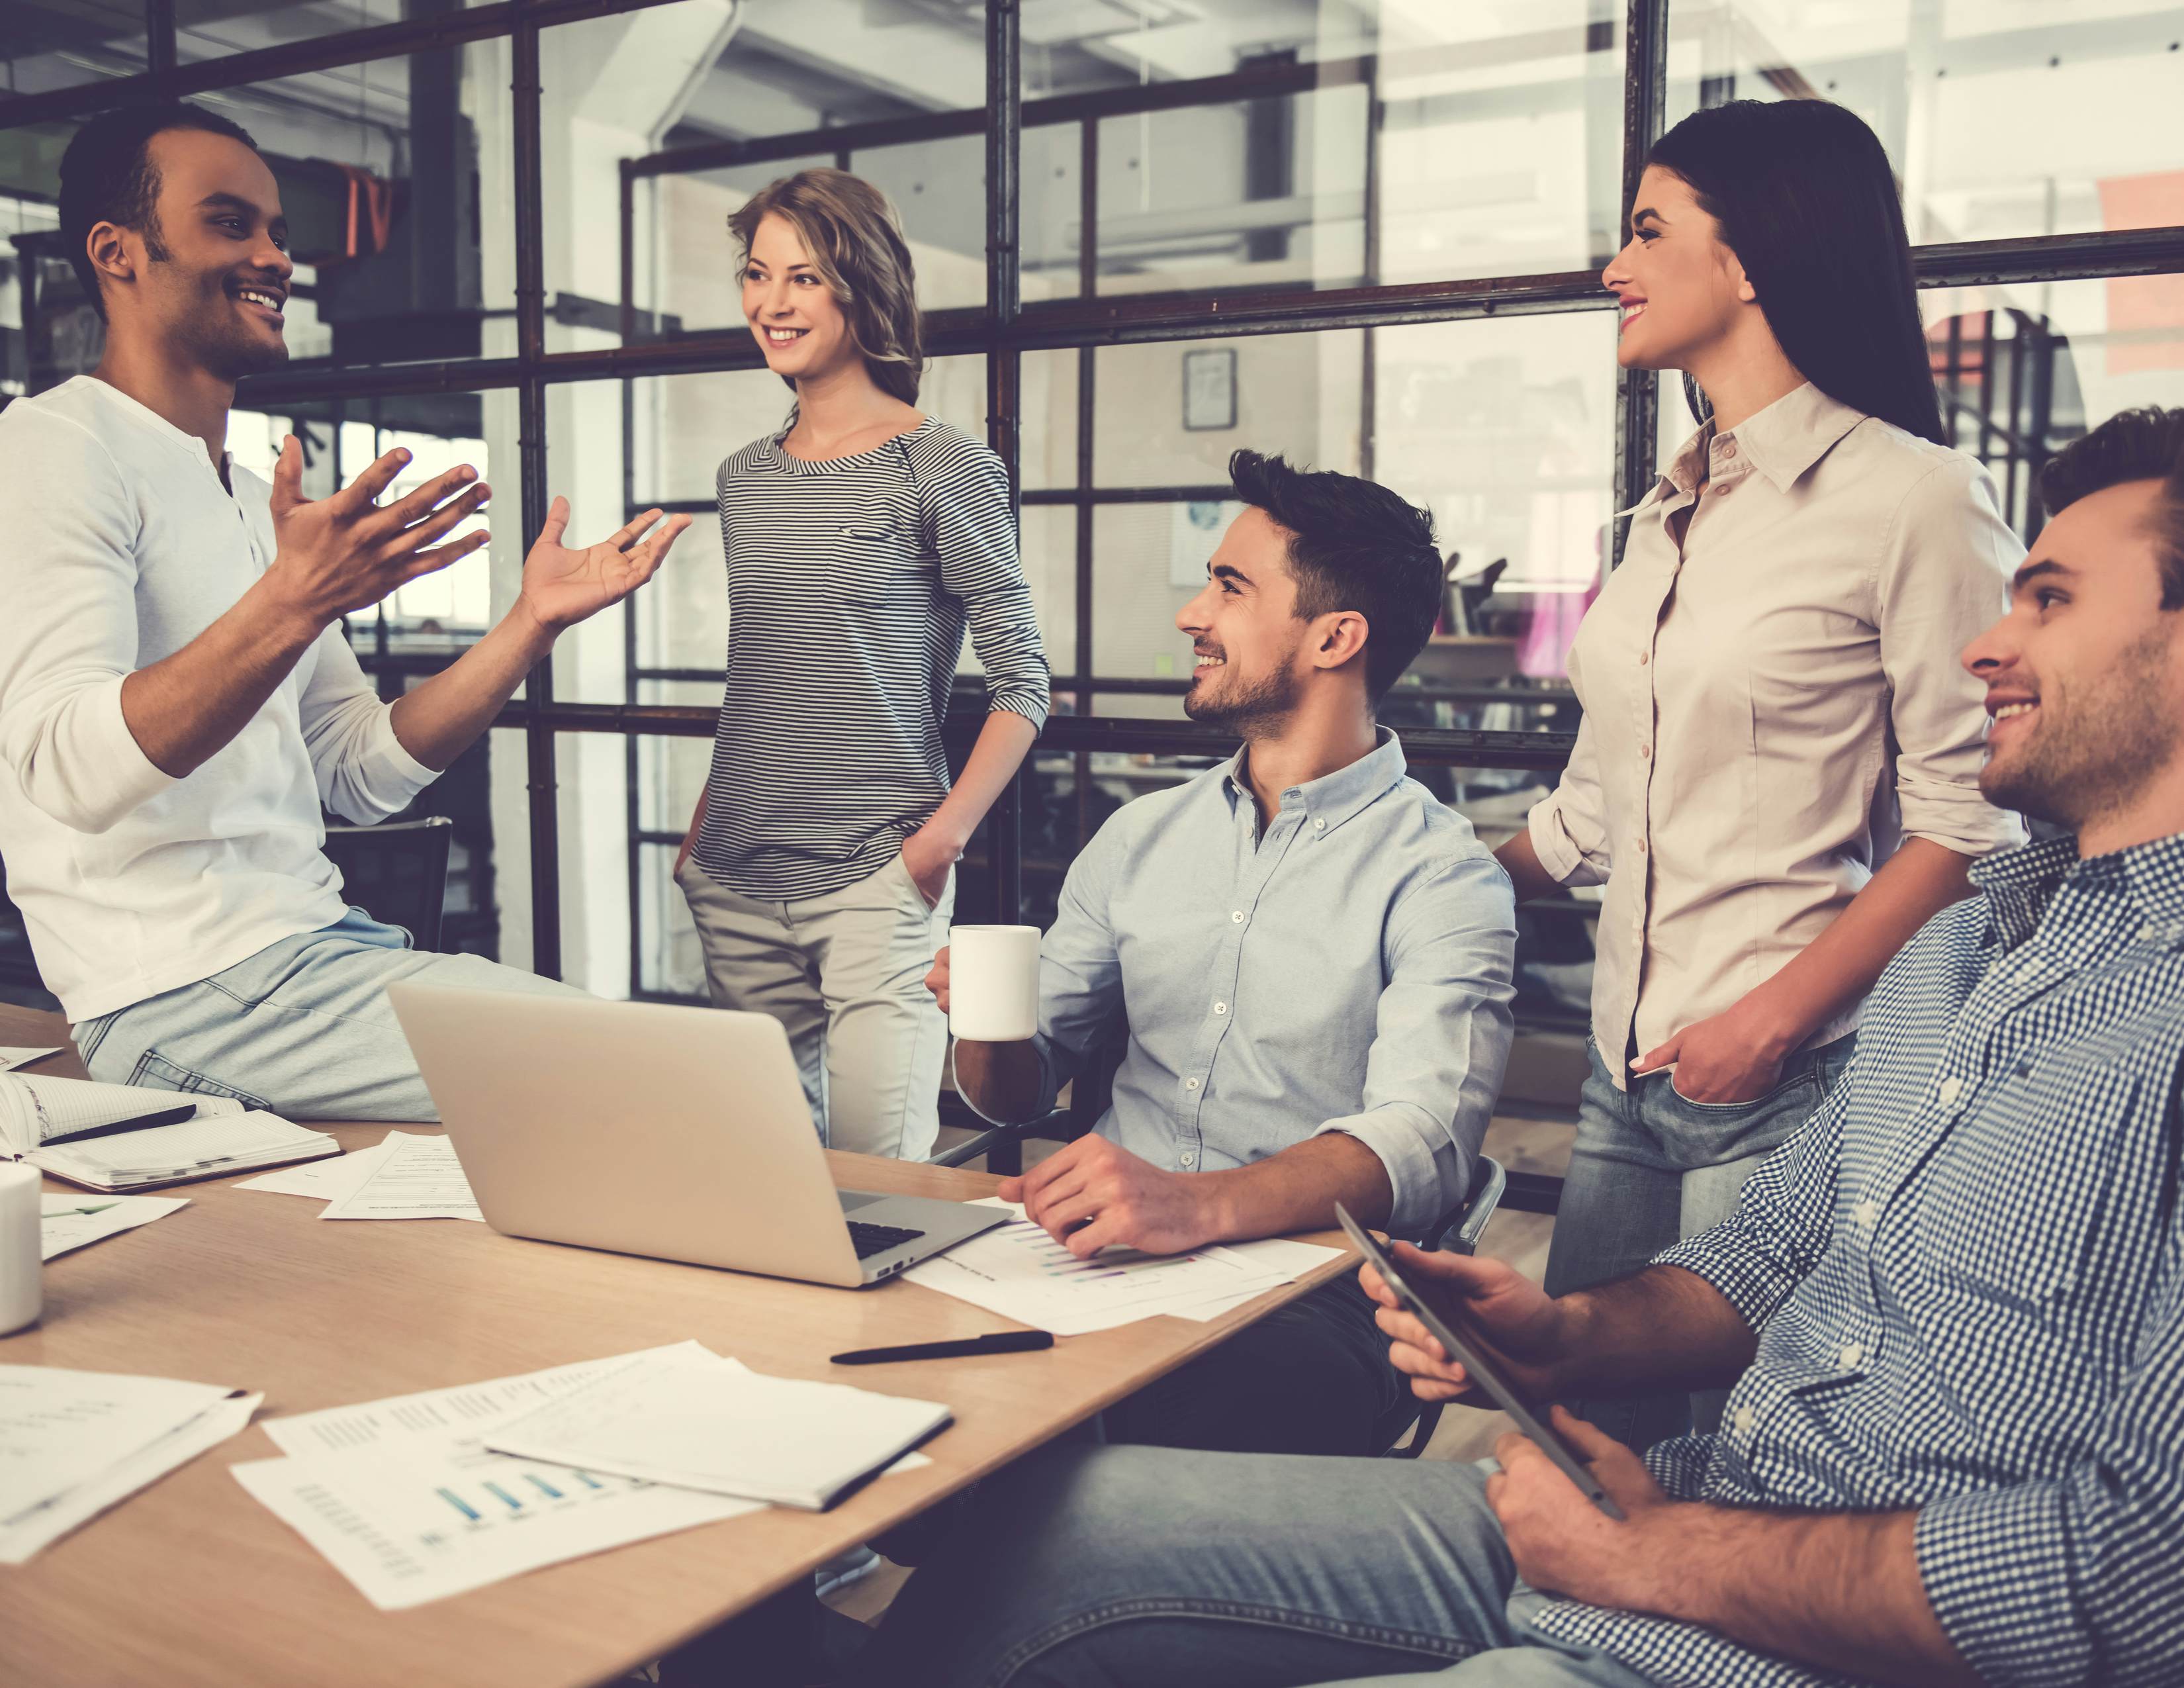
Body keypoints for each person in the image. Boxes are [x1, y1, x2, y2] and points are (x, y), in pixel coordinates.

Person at [844, 403, 2184, 1688]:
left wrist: (1669, 1554)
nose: (1981, 647)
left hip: (1744, 1590)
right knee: (1042, 1531)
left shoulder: (1439, 876)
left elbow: (2137, 1581)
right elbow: (1775, 1250)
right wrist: (1567, 1332)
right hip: (1677, 1524)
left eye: (2049, 598)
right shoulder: (1955, 956)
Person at [1496, 100, 2025, 1446]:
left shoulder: (1914, 497)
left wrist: (1773, 1022)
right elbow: (1593, 812)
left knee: (1729, 1464)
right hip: (1625, 1073)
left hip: (1784, 1081)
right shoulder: (1669, 512)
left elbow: (1977, 826)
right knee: (1583, 1445)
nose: (1615, 266)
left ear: (1748, 261)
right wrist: (1385, 869)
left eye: (1647, 230)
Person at [0, 103, 690, 1119]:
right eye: (232, 224)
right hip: (186, 996)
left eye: (280, 231)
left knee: (688, 1086)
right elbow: (63, 768)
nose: (277, 256)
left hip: (314, 952)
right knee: (674, 1087)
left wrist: (526, 626)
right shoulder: (55, 446)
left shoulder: (242, 495)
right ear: (118, 253)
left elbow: (357, 771)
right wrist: (291, 599)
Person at [928, 448, 1516, 1456]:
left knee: (1154, 1429)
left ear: (1336, 636)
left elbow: (1422, 1141)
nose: (1191, 615)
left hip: (1309, 1287)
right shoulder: (1139, 839)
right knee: (891, 1366)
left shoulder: (1445, 877)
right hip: (1089, 1256)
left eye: (1230, 587)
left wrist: (1192, 1207)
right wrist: (988, 1025)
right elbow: (1017, 1093)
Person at [672, 167, 1048, 1163]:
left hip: (877, 883)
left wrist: (938, 844)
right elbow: (768, 666)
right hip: (736, 878)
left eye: (804, 277)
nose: (772, 302)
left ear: (861, 285)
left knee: (880, 1191)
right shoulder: (744, 478)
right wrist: (704, 830)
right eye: (758, 275)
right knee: (767, 1188)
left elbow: (1024, 683)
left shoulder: (946, 465)